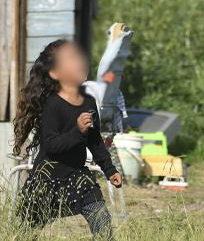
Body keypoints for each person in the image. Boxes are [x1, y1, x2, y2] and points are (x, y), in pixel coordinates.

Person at [12, 39, 124, 240]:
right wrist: (78, 131)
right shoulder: (51, 104)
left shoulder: (88, 101)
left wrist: (110, 169)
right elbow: (52, 145)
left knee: (102, 222)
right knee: (26, 234)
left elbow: (95, 141)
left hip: (78, 177)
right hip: (46, 180)